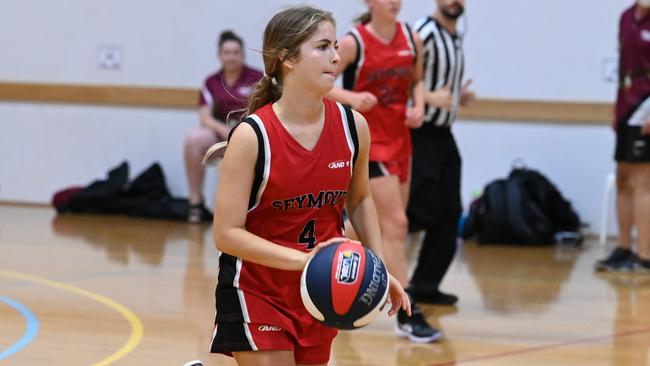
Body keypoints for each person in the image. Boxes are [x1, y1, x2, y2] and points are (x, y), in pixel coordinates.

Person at [206, 6, 411, 366]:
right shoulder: (253, 136)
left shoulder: (353, 127)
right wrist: (307, 262)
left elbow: (360, 199)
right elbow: (226, 234)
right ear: (287, 58)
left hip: (318, 294)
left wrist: (377, 269)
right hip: (255, 288)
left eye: (335, 46)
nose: (335, 56)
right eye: (322, 47)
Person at [328, 0, 441, 343]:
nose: (394, 2)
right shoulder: (353, 42)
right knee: (397, 225)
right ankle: (407, 313)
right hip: (368, 143)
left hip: (401, 142)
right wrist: (351, 97)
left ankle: (321, 257)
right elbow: (322, 82)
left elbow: (416, 81)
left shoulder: (412, 38)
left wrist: (419, 106)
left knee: (371, 226)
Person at [406, 0, 475, 306]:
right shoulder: (424, 33)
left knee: (450, 213)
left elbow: (441, 86)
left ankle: (425, 285)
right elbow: (396, 80)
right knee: (417, 209)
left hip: (444, 135)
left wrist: (460, 95)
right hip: (418, 135)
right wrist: (431, 97)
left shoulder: (455, 37)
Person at [183, 30, 263, 223]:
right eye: (227, 52)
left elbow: (264, 110)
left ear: (242, 55)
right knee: (194, 139)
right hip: (223, 134)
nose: (231, 56)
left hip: (250, 135)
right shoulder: (211, 82)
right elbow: (205, 117)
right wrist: (225, 131)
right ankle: (196, 203)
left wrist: (243, 132)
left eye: (235, 52)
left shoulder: (257, 78)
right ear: (220, 55)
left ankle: (252, 208)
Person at [596, 0, 650, 272]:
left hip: (647, 105)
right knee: (623, 177)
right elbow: (622, 68)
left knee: (643, 180)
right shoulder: (626, 17)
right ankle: (624, 247)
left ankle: (645, 255)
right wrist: (617, 110)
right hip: (627, 103)